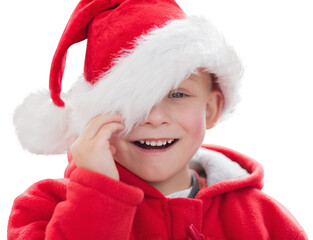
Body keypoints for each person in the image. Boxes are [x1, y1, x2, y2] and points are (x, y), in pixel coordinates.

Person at [8, 0, 307, 239]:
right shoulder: (44, 209)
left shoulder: (264, 220)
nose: (153, 117)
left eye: (177, 95)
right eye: (131, 101)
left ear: (211, 109)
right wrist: (97, 192)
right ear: (91, 117)